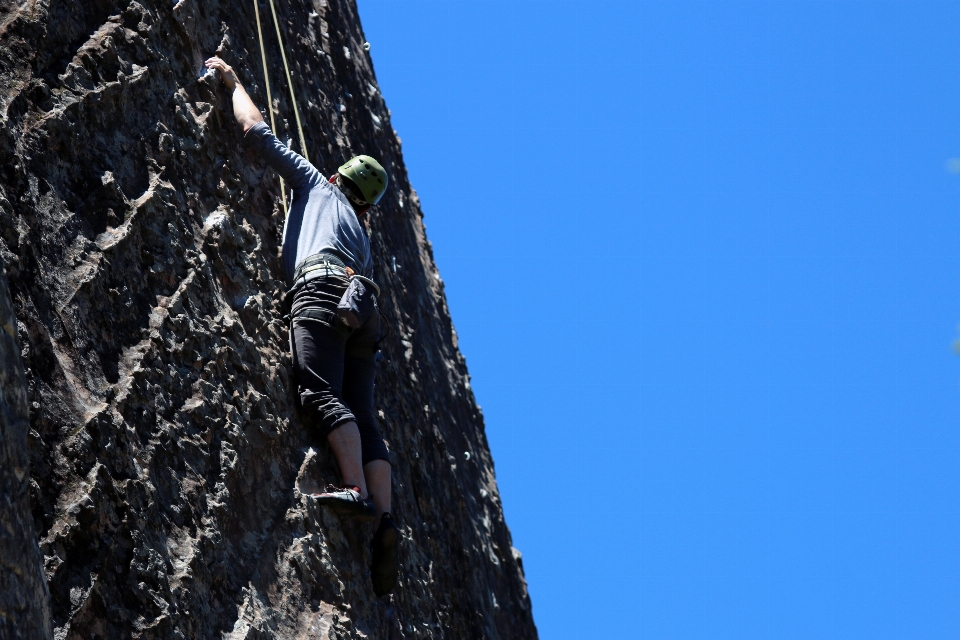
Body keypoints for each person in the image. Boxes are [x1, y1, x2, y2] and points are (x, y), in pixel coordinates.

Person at [204, 56, 399, 596]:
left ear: (340, 178)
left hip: (322, 291)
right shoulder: (362, 235)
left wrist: (233, 81)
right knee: (364, 411)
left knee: (318, 390)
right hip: (364, 308)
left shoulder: (318, 185)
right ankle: (386, 519)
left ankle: (355, 489)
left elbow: (256, 134)